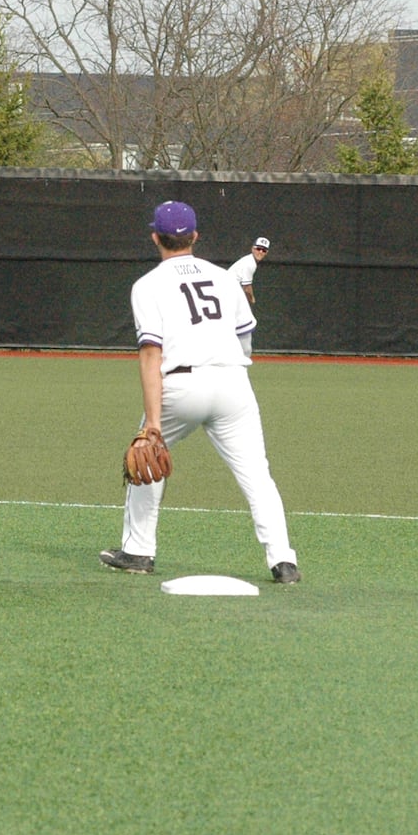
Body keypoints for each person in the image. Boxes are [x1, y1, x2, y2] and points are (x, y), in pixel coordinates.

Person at [100, 202, 301, 585]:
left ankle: (139, 552)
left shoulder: (147, 284)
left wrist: (154, 424)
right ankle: (283, 562)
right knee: (258, 476)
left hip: (180, 385)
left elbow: (150, 354)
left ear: (155, 238)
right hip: (233, 384)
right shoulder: (224, 278)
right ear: (195, 237)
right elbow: (244, 336)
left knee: (146, 458)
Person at [230, 236, 270, 308]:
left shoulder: (250, 260)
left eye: (264, 250)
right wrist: (251, 300)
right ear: (252, 249)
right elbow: (247, 287)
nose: (260, 252)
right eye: (258, 248)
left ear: (266, 253)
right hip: (226, 292)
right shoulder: (250, 263)